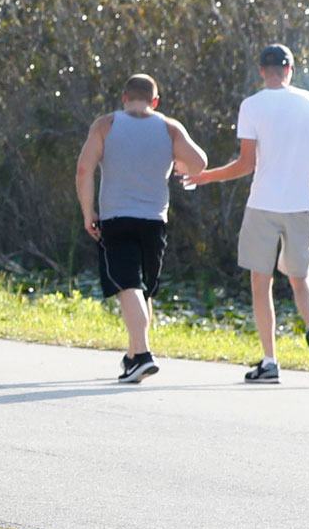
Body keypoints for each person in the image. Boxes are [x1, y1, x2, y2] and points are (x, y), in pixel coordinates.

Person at [183, 44, 309, 382]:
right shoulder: (308, 101)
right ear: (290, 69)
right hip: (301, 205)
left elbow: (245, 164)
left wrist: (205, 177)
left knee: (260, 282)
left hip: (263, 204)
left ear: (261, 71)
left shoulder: (251, 106)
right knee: (300, 278)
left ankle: (270, 361)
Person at [76, 73, 209, 382]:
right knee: (143, 289)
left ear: (124, 97)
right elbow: (200, 162)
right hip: (154, 221)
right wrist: (183, 165)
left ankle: (144, 355)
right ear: (156, 101)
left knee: (128, 286)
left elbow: (84, 169)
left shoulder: (106, 125)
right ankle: (135, 355)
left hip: (115, 219)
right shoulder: (169, 127)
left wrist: (88, 212)